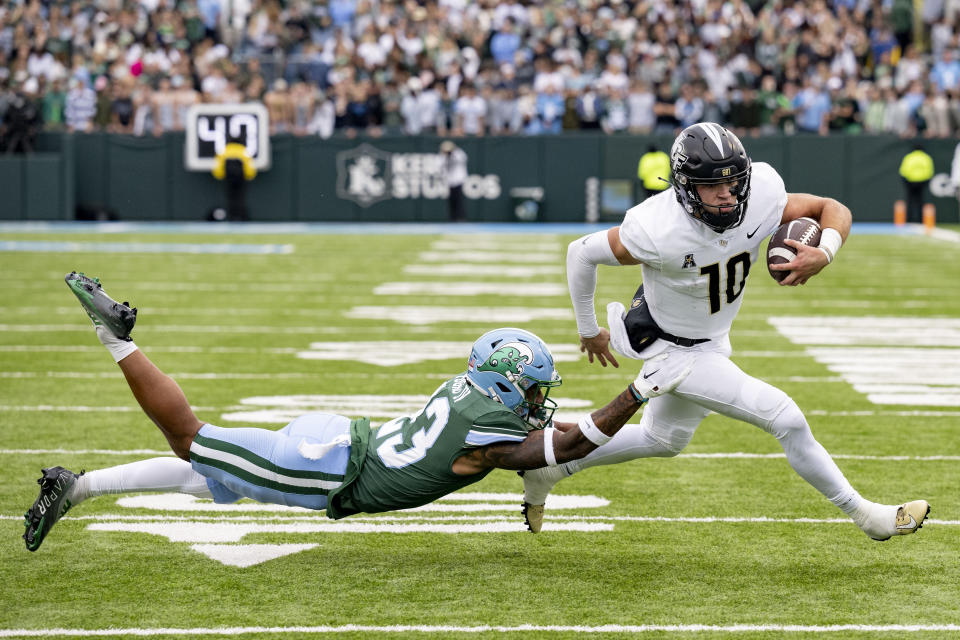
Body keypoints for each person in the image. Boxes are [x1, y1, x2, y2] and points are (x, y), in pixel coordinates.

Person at [22, 272, 690, 551]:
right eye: (536, 390)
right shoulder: (488, 434)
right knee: (191, 442)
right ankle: (116, 336)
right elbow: (566, 448)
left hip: (337, 436)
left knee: (212, 475)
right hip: (327, 471)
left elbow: (550, 444)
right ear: (509, 386)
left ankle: (72, 489)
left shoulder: (470, 393)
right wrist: (637, 393)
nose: (542, 401)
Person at [521, 122, 930, 541]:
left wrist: (824, 252)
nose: (728, 195)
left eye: (735, 182)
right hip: (672, 350)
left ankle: (549, 468)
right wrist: (589, 330)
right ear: (683, 186)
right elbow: (581, 253)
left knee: (663, 438)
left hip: (712, 339)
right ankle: (868, 516)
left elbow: (831, 208)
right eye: (712, 186)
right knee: (785, 417)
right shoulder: (657, 227)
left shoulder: (761, 194)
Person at [210, 139, 256, 221]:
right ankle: (240, 217)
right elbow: (249, 167)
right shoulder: (243, 151)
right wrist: (249, 176)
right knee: (240, 198)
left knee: (230, 198)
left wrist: (220, 175)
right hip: (241, 179)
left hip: (228, 179)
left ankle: (231, 217)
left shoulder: (224, 151)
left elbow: (218, 167)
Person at [898, 143, 935, 224]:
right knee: (920, 201)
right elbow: (929, 171)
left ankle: (909, 219)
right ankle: (920, 220)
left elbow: (904, 171)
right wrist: (925, 181)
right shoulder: (926, 157)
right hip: (921, 182)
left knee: (909, 201)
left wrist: (906, 181)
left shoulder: (909, 157)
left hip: (910, 182)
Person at [440, 140, 468, 222]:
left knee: (459, 201)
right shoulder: (443, 157)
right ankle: (452, 218)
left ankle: (461, 218)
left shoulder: (458, 154)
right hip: (450, 182)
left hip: (458, 181)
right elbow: (440, 165)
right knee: (451, 202)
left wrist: (453, 151)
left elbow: (463, 158)